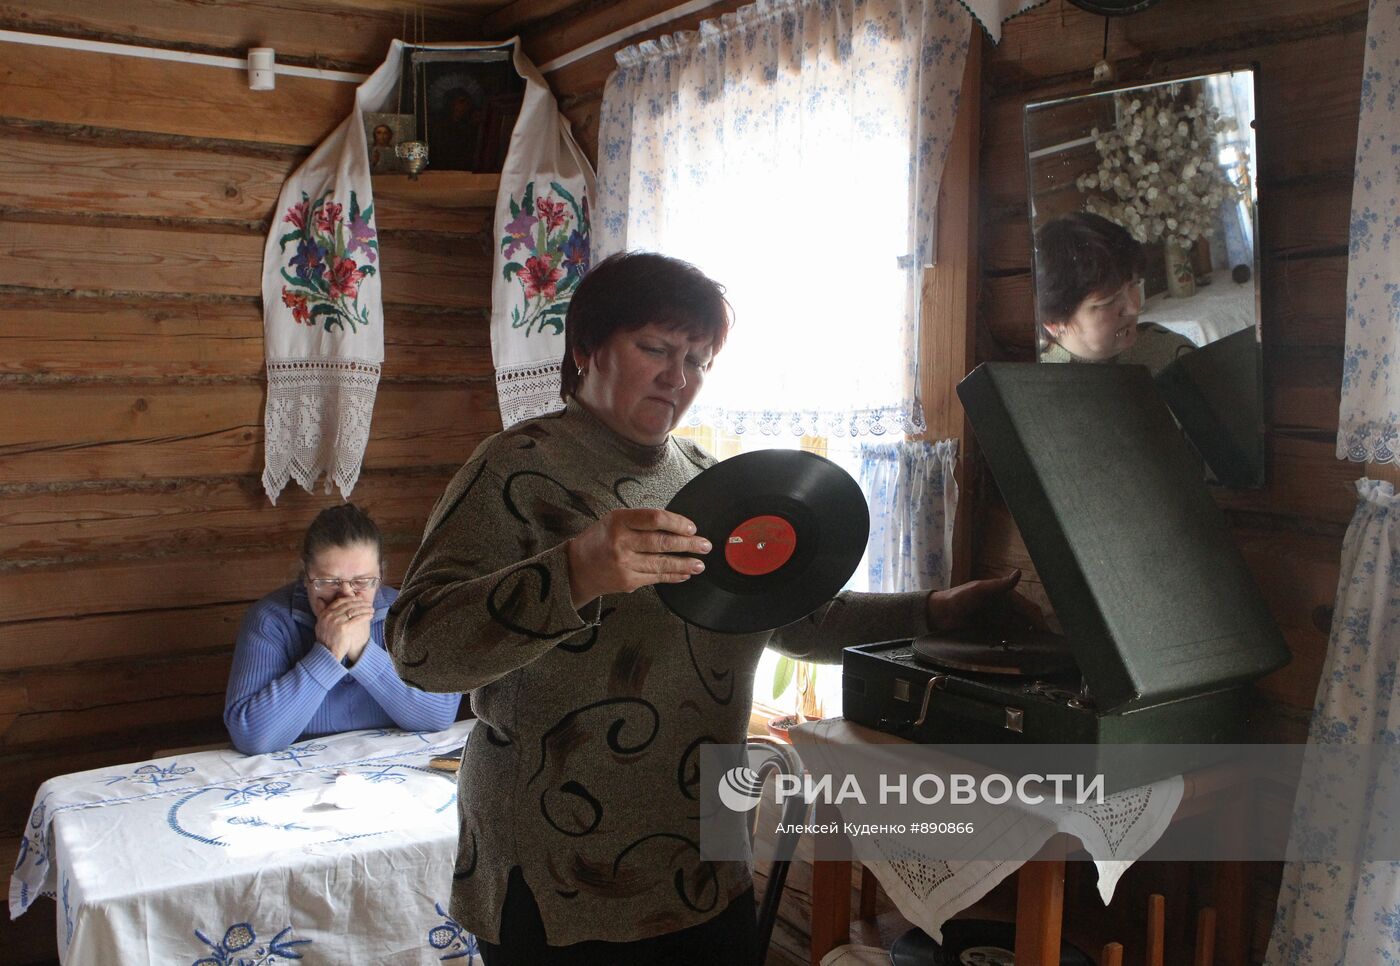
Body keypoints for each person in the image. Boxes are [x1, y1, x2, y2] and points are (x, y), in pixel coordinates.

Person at [385, 252, 1024, 965]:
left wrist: (936, 610)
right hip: (559, 867)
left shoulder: (710, 481)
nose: (678, 377)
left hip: (707, 855)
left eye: (698, 359)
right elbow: (418, 649)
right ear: (587, 347)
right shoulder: (512, 468)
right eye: (654, 348)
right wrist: (574, 571)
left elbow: (800, 617)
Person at [224, 503, 460, 755]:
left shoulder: (408, 614)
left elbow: (439, 714)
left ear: (380, 574)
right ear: (306, 576)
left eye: (361, 582)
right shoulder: (270, 620)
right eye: (328, 582)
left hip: (389, 761)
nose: (346, 595)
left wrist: (363, 651)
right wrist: (327, 653)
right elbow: (251, 737)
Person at [1036, 211, 1195, 375]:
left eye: (1134, 285)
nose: (1134, 308)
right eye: (1108, 302)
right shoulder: (1034, 381)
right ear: (1053, 322)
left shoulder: (1170, 353)